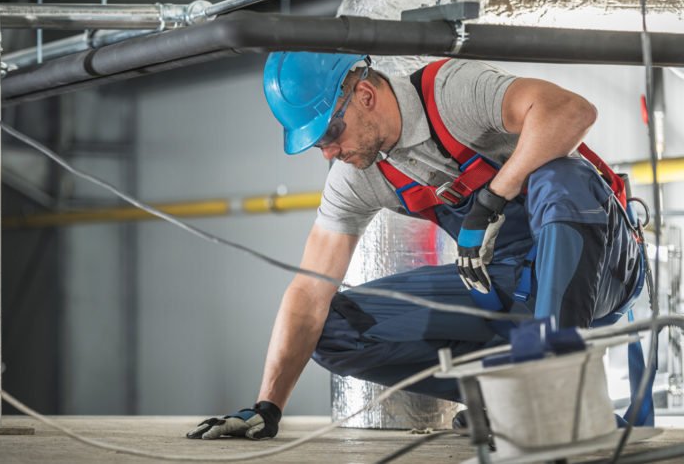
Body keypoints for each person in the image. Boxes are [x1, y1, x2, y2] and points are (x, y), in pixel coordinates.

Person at [186, 53, 644, 440]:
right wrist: (268, 406)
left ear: (364, 96)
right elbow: (309, 295)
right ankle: (506, 398)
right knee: (335, 330)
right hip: (507, 280)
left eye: (329, 134)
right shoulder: (356, 177)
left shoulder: (451, 93)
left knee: (560, 177)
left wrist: (493, 197)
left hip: (597, 262)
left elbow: (572, 111)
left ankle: (557, 394)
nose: (327, 152)